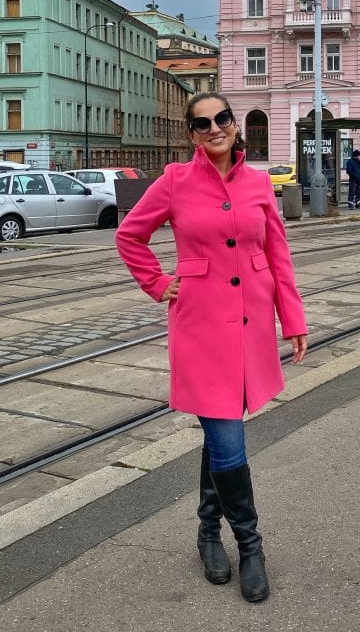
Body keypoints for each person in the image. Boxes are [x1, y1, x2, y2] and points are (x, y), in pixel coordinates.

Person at [115, 92, 308, 603]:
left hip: (249, 325)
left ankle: (206, 532)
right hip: (200, 326)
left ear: (234, 124)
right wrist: (158, 284)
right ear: (193, 134)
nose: (214, 128)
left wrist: (292, 318)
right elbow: (130, 236)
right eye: (202, 124)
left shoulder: (259, 182)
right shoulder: (174, 182)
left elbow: (276, 252)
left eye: (222, 118)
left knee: (222, 433)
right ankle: (250, 546)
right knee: (228, 437)